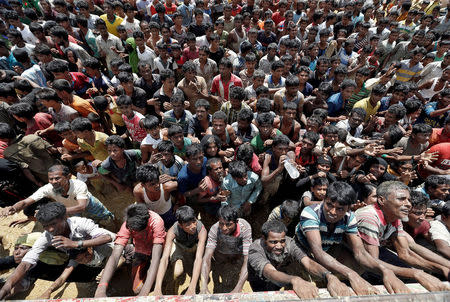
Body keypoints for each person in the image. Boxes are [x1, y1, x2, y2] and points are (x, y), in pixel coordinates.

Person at [297, 181, 410, 295]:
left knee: (361, 267)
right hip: (303, 252)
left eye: (340, 208)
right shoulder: (310, 213)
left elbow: (360, 253)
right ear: (324, 200)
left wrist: (386, 271)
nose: (332, 212)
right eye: (329, 204)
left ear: (348, 208)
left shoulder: (349, 217)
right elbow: (318, 252)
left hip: (330, 250)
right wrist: (351, 274)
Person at [0, 202, 114, 299]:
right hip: (80, 259)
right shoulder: (47, 236)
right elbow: (26, 263)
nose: (50, 229)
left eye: (53, 224)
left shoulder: (80, 223)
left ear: (65, 217)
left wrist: (75, 243)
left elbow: (106, 238)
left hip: (108, 251)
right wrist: (8, 285)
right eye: (45, 226)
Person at [355, 181, 450, 291]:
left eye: (408, 200)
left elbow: (405, 253)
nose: (408, 204)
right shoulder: (369, 217)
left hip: (375, 254)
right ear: (381, 200)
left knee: (413, 274)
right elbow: (372, 261)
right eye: (401, 199)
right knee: (406, 277)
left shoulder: (395, 216)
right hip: (356, 259)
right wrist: (415, 273)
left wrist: (442, 268)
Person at [248, 220, 354, 298]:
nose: (279, 246)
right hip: (259, 279)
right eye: (273, 242)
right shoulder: (255, 249)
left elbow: (307, 262)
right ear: (263, 239)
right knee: (262, 295)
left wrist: (328, 276)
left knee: (276, 290)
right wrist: (295, 280)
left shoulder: (290, 243)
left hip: (280, 275)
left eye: (282, 241)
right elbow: (269, 272)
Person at [0, 165, 113, 224]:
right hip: (70, 211)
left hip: (90, 205)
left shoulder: (78, 185)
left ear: (68, 177)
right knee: (83, 224)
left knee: (106, 218)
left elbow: (81, 206)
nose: (53, 182)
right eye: (51, 179)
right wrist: (13, 208)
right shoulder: (48, 188)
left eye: (57, 178)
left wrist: (53, 212)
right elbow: (26, 201)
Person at [95, 203, 166, 297]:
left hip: (158, 249)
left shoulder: (156, 221)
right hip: (141, 251)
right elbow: (115, 256)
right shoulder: (128, 224)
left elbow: (155, 260)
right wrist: (101, 289)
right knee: (137, 290)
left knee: (145, 287)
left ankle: (158, 283)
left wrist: (144, 293)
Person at [153, 206, 207, 295]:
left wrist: (192, 287)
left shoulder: (201, 230)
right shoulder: (172, 231)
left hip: (193, 248)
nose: (193, 226)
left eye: (194, 221)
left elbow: (198, 258)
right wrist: (157, 288)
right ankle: (172, 286)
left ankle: (194, 286)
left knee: (200, 274)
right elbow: (164, 258)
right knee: (178, 271)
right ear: (180, 225)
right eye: (188, 225)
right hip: (179, 246)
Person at [200, 204, 251, 294]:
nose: (224, 228)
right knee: (218, 289)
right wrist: (204, 286)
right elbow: (207, 257)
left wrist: (237, 289)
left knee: (233, 284)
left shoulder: (245, 228)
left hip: (237, 259)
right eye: (221, 223)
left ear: (236, 222)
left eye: (228, 224)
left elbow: (247, 259)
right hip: (221, 259)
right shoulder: (214, 229)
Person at [133, 164, 177, 229]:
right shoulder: (138, 191)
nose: (157, 185)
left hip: (168, 214)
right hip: (153, 216)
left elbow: (182, 185)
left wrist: (178, 203)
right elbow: (142, 207)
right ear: (143, 185)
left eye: (157, 181)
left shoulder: (167, 186)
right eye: (152, 184)